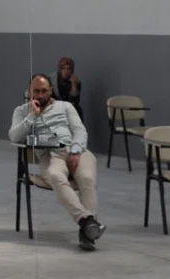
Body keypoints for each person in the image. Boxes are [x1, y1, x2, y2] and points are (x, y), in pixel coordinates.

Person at [9, 73, 105, 251]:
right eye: (36, 91)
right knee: (54, 175)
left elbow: (80, 131)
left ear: (51, 90)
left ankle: (86, 234)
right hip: (50, 155)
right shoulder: (21, 111)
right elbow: (14, 137)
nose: (40, 95)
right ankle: (87, 222)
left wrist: (75, 151)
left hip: (76, 151)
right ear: (29, 92)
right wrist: (32, 116)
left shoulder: (65, 106)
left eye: (44, 91)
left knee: (87, 179)